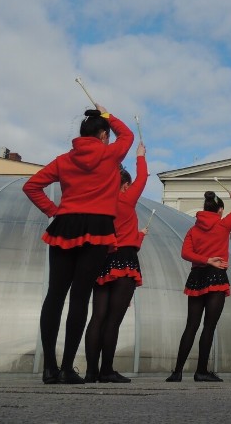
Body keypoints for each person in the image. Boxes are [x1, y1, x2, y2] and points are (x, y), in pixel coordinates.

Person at [23, 105, 133, 384]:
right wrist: (108, 114)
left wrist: (53, 211)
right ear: (104, 135)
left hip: (65, 224)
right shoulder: (110, 154)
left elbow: (31, 186)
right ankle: (67, 368)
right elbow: (128, 135)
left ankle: (49, 367)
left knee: (55, 295)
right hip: (97, 227)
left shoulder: (63, 159)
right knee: (80, 297)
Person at [84, 141, 148, 383]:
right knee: (113, 320)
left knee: (97, 316)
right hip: (124, 260)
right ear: (125, 185)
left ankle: (91, 371)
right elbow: (143, 177)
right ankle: (107, 370)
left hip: (101, 259)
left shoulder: (99, 204)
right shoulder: (126, 200)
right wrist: (140, 155)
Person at [166, 190, 231, 382]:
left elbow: (185, 253)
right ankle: (201, 371)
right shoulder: (223, 224)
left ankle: (177, 372)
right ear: (220, 210)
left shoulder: (193, 230)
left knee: (191, 326)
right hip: (216, 276)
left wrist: (204, 260)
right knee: (209, 326)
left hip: (196, 277)